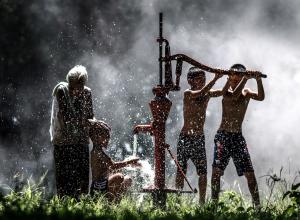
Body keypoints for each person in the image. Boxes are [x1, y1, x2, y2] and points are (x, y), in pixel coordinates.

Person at [211, 64, 265, 207]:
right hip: (223, 136)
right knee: (217, 172)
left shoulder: (246, 91)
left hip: (237, 137)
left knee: (250, 175)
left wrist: (258, 80)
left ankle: (258, 207)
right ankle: (213, 206)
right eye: (234, 74)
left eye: (239, 75)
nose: (236, 77)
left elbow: (260, 97)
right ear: (229, 76)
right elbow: (234, 96)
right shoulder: (226, 91)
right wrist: (246, 78)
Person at [175, 67, 230, 204]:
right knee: (181, 170)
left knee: (203, 172)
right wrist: (216, 78)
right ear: (190, 81)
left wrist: (228, 79)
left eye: (204, 80)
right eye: (200, 80)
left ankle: (201, 203)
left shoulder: (207, 93)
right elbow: (201, 92)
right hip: (185, 137)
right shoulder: (188, 93)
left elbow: (223, 92)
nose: (202, 82)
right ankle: (177, 200)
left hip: (198, 138)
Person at [50, 65, 94, 197]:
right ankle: (64, 208)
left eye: (79, 88)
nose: (75, 91)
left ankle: (81, 206)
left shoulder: (87, 92)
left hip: (80, 140)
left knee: (82, 178)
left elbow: (91, 115)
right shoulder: (62, 91)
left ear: (83, 84)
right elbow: (66, 118)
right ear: (69, 83)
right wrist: (88, 122)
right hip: (63, 140)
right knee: (64, 178)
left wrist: (96, 124)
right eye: (73, 87)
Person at [89, 119, 140, 202]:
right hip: (97, 187)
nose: (108, 140)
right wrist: (129, 162)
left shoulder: (100, 152)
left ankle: (116, 202)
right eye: (105, 137)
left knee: (128, 180)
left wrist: (129, 164)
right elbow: (113, 166)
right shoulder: (97, 152)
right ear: (96, 138)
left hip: (103, 185)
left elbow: (112, 167)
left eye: (108, 137)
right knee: (119, 177)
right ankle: (111, 203)